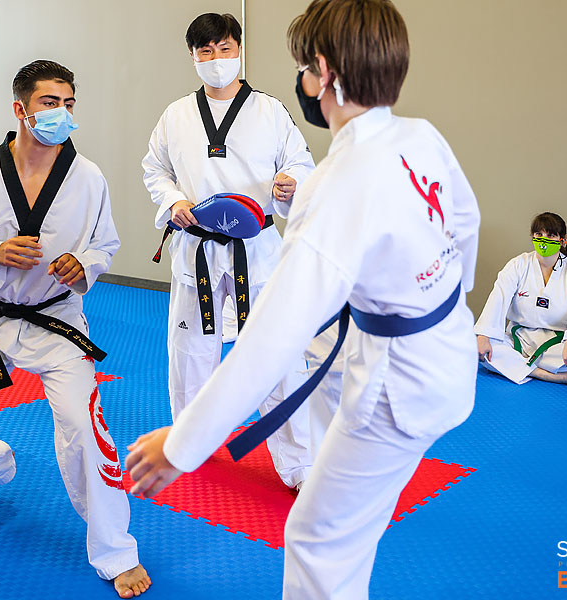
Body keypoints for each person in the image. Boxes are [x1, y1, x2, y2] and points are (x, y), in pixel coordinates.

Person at [126, 1, 480, 598]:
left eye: (304, 67)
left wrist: (180, 443)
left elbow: (271, 338)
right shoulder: (420, 135)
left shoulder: (334, 182)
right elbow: (464, 225)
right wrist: (423, 297)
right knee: (345, 531)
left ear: (322, 72)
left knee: (318, 542)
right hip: (447, 350)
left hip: (397, 389)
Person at [0, 60, 150, 598]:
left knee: (86, 433)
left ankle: (115, 551)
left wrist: (86, 265)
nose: (61, 113)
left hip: (56, 319)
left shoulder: (88, 177)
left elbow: (104, 244)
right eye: (49, 103)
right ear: (21, 109)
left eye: (69, 103)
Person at [142, 13, 316, 489]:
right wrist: (172, 200)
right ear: (192, 56)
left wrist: (290, 184)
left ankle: (299, 465)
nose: (215, 60)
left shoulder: (270, 111)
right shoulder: (175, 115)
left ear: (238, 50)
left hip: (255, 251)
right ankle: (188, 444)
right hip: (195, 250)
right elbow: (154, 168)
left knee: (276, 356)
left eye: (223, 49)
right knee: (190, 354)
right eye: (205, 51)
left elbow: (301, 162)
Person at [475, 212, 567, 387]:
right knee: (478, 346)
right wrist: (484, 335)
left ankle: (516, 366)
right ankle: (544, 374)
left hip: (557, 341)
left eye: (550, 235)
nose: (543, 239)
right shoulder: (518, 264)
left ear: (562, 240)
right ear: (532, 236)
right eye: (539, 234)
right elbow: (498, 297)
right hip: (520, 338)